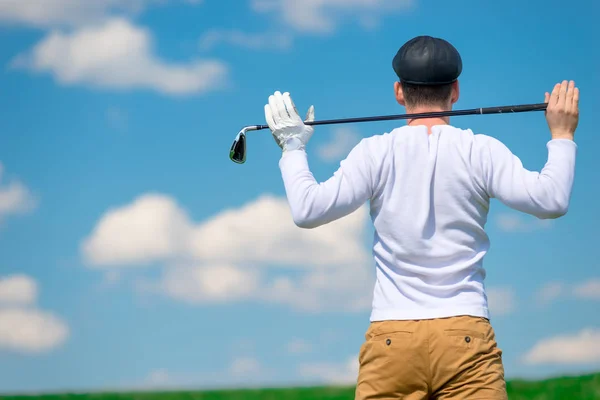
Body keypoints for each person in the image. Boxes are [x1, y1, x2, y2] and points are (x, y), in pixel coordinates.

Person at [263, 35, 579, 400]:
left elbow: (307, 210)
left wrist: (292, 147)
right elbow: (552, 200)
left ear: (399, 92)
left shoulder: (374, 151)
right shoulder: (481, 150)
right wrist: (562, 134)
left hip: (391, 339)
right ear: (455, 91)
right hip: (465, 336)